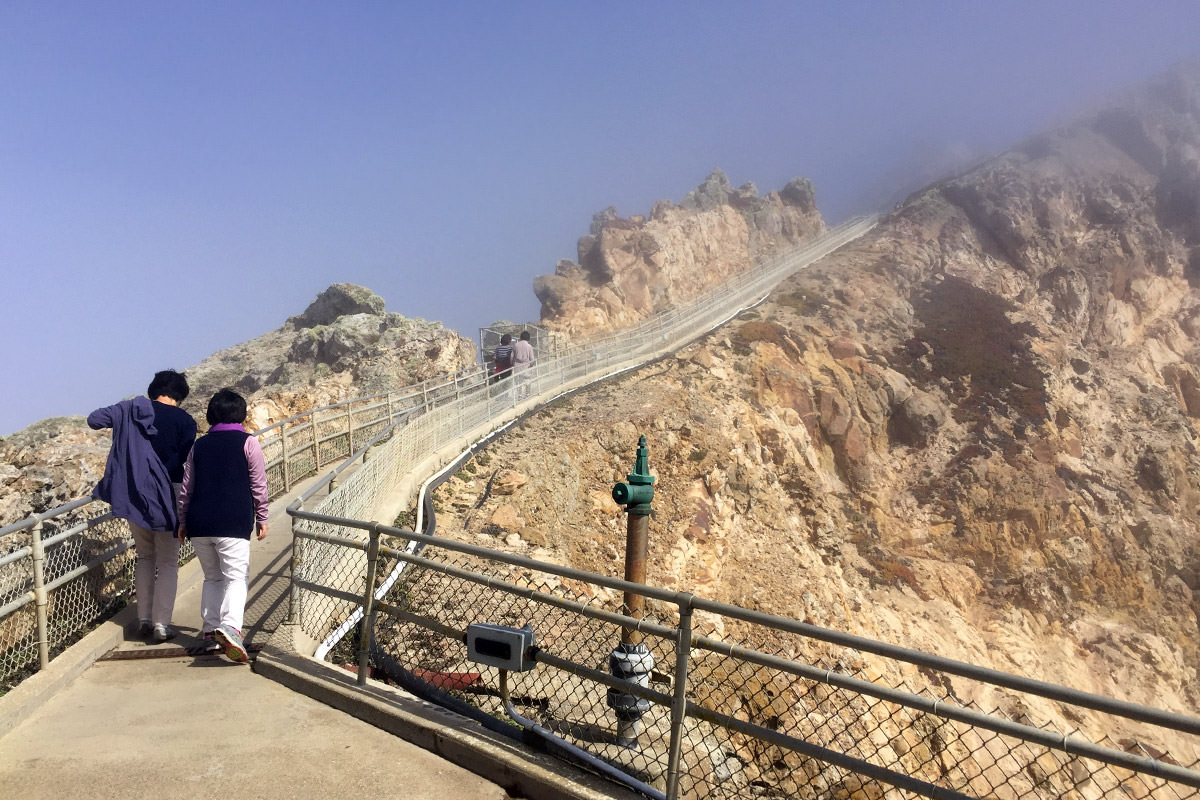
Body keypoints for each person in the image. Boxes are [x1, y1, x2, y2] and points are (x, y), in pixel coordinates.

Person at [88, 370, 195, 643]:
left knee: (145, 557)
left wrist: (124, 408)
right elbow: (183, 459)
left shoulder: (131, 410)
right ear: (179, 396)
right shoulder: (186, 421)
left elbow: (94, 419)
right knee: (169, 561)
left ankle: (144, 619)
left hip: (134, 494)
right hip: (168, 495)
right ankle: (162, 624)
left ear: (153, 390)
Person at [177, 388, 269, 662]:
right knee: (235, 576)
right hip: (232, 521)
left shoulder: (199, 446)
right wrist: (262, 516)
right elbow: (258, 484)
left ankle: (210, 629)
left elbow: (186, 488)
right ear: (242, 415)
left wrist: (182, 521)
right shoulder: (248, 442)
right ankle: (230, 628)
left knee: (213, 577)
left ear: (210, 415)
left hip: (200, 522)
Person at [511, 330, 535, 399]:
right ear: (528, 338)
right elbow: (532, 358)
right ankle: (527, 394)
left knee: (518, 382)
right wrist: (531, 365)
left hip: (517, 367)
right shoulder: (529, 346)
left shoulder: (515, 345)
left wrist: (512, 364)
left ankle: (519, 395)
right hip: (526, 367)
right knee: (527, 381)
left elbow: (512, 357)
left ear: (520, 337)